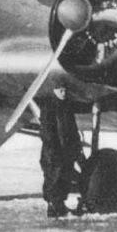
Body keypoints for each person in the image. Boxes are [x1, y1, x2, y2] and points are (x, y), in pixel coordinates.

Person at [38, 86, 84, 217]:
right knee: (54, 178)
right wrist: (53, 151)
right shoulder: (48, 107)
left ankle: (60, 205)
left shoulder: (66, 107)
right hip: (54, 152)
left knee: (65, 178)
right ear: (54, 91)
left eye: (65, 90)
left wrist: (76, 147)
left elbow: (72, 129)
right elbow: (46, 132)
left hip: (66, 152)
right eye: (60, 91)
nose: (64, 93)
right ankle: (53, 207)